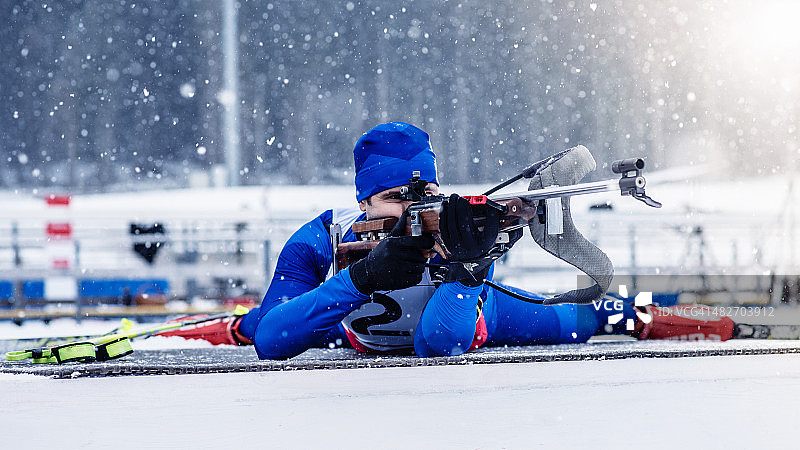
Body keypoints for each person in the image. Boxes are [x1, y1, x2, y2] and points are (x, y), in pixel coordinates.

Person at [162, 122, 735, 358]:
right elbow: (274, 340)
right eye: (395, 198)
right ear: (364, 202)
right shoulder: (320, 238)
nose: (415, 209)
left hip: (468, 318)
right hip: (350, 339)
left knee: (593, 319)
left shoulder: (456, 222)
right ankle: (224, 323)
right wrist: (366, 275)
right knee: (253, 326)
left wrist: (468, 266)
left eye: (426, 192)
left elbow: (441, 346)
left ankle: (670, 317)